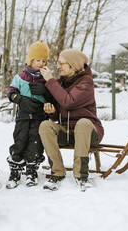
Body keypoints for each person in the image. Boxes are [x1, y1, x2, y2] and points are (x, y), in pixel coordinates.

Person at [38, 49, 104, 191]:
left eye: (62, 63)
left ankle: (81, 175)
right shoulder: (61, 84)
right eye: (58, 63)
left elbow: (69, 102)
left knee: (83, 123)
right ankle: (57, 171)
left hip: (89, 133)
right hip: (68, 133)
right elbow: (61, 111)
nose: (58, 66)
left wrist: (50, 80)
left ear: (73, 66)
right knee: (45, 126)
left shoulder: (86, 83)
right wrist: (53, 112)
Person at [6, 40, 51, 189]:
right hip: (23, 117)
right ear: (31, 60)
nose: (41, 63)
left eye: (44, 60)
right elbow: (11, 92)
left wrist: (46, 91)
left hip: (39, 117)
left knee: (35, 144)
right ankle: (15, 171)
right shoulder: (20, 77)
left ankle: (31, 171)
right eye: (38, 60)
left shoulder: (46, 79)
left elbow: (52, 97)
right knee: (20, 141)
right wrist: (18, 98)